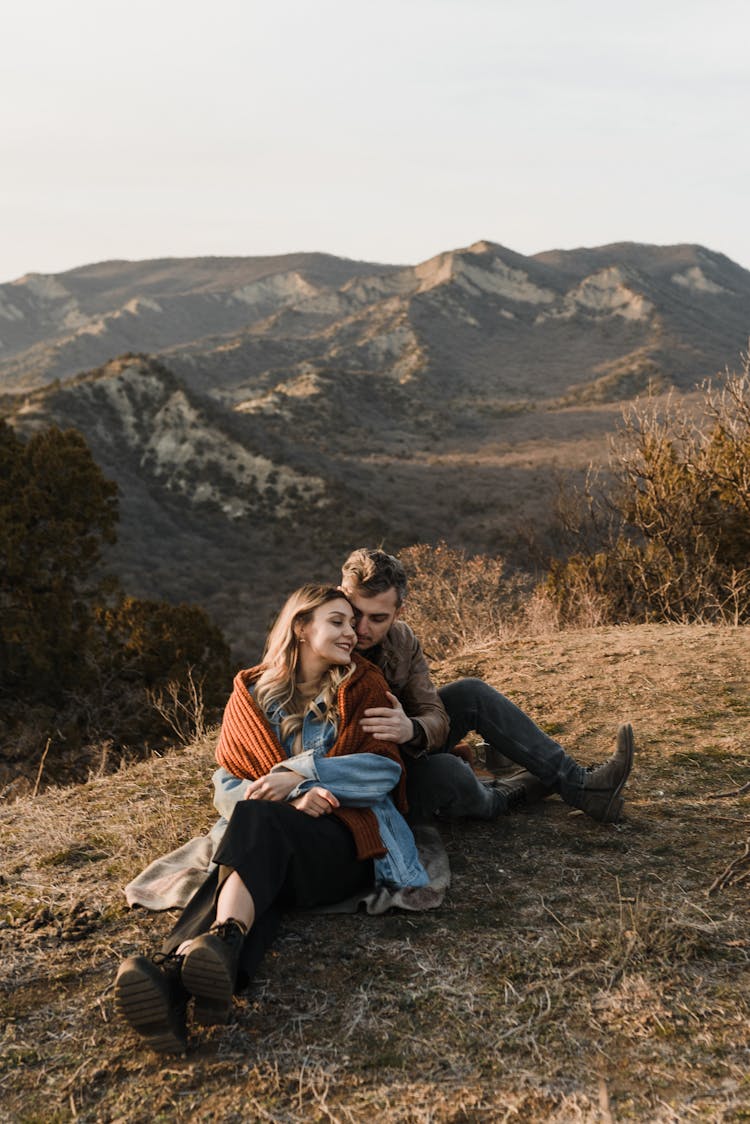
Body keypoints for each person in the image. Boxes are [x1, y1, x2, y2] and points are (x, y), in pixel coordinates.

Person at [115, 585, 429, 1054]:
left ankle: (177, 961)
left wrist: (295, 772)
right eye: (338, 622)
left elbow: (382, 771)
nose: (353, 633)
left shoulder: (365, 686)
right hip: (276, 844)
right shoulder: (252, 694)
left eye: (354, 622)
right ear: (301, 627)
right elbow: (228, 781)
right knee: (258, 837)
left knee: (253, 832)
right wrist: (294, 798)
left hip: (349, 846)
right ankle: (182, 985)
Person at [339, 548, 635, 824]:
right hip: (362, 773)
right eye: (356, 614)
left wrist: (411, 729)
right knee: (449, 772)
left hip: (405, 746)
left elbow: (434, 715)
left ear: (398, 613)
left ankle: (580, 786)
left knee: (470, 693)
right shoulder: (320, 636)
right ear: (342, 596)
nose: (362, 629)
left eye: (378, 618)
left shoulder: (402, 638)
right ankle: (508, 794)